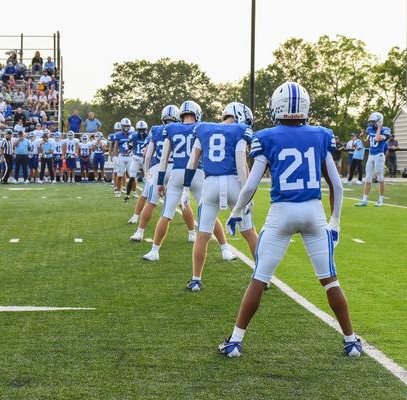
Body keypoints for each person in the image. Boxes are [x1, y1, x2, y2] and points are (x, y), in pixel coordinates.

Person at [221, 81, 361, 358]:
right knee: (330, 280)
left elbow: (250, 186)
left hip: (281, 213)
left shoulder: (266, 137)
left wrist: (236, 212)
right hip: (313, 212)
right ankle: (351, 341)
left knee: (259, 279)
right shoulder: (321, 135)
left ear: (277, 107)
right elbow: (336, 185)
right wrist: (335, 222)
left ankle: (235, 341)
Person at [183, 102, 258, 292]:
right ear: (240, 116)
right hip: (234, 183)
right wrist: (247, 194)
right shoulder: (240, 130)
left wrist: (185, 188)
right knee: (249, 232)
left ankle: (196, 280)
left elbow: (192, 162)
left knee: (203, 235)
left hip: (210, 185)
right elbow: (241, 164)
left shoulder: (203, 129)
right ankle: (262, 277)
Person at [142, 101, 203, 261]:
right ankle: (224, 248)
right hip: (196, 173)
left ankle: (154, 250)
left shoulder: (169, 129)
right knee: (206, 210)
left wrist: (159, 181)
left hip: (175, 172)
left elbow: (161, 158)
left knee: (166, 213)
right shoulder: (202, 127)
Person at [355, 112, 391, 207]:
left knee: (380, 178)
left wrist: (379, 128)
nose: (371, 123)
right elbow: (367, 145)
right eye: (371, 121)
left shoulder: (385, 130)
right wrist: (362, 138)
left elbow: (378, 138)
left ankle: (381, 200)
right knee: (368, 178)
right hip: (371, 155)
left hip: (379, 155)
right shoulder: (369, 129)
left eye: (373, 121)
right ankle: (364, 200)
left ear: (379, 121)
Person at [124, 121, 148, 202]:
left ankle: (148, 195)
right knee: (132, 177)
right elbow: (129, 147)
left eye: (143, 129)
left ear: (146, 129)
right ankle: (127, 195)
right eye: (140, 130)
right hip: (136, 159)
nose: (141, 132)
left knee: (148, 178)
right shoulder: (133, 136)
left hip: (146, 159)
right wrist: (131, 154)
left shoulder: (149, 137)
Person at [113, 118, 132, 197]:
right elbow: (116, 146)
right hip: (121, 156)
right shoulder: (118, 135)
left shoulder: (132, 134)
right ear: (121, 126)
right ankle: (118, 191)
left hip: (130, 156)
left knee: (132, 175)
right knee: (120, 175)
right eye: (124, 126)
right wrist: (115, 156)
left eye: (127, 126)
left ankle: (131, 192)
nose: (126, 127)